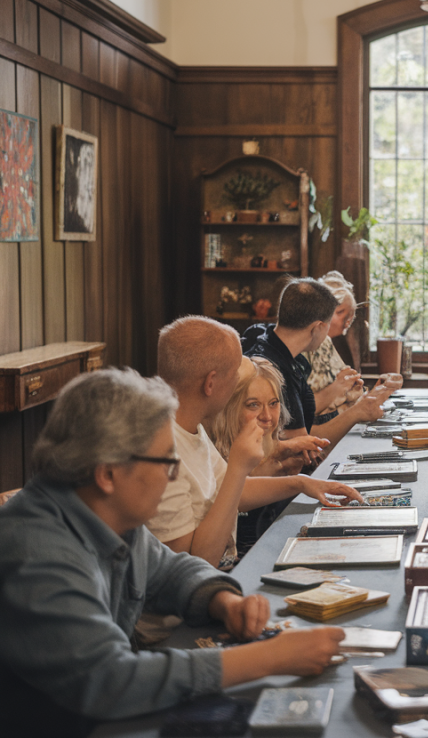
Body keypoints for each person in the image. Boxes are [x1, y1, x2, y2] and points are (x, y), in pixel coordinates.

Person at [0, 369, 347, 738]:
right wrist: (268, 658)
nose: (173, 474)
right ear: (108, 473)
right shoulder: (37, 552)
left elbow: (169, 571)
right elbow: (110, 680)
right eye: (167, 461)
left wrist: (224, 601)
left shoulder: (104, 511)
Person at [150, 315, 364, 571]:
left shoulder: (190, 425)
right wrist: (239, 467)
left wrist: (302, 483)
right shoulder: (161, 454)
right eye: (234, 375)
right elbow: (193, 568)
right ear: (211, 383)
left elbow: (229, 491)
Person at [241, 278, 399, 447]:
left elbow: (303, 415)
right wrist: (358, 412)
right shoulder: (274, 369)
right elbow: (302, 445)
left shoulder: (277, 346)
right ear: (318, 327)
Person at [207, 356, 329, 477]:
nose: (267, 416)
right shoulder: (210, 458)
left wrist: (288, 449)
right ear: (226, 410)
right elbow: (239, 492)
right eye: (253, 405)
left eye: (273, 403)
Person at [306, 271, 364, 424]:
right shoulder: (312, 344)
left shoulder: (328, 343)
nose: (347, 320)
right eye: (340, 312)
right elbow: (310, 408)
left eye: (350, 314)